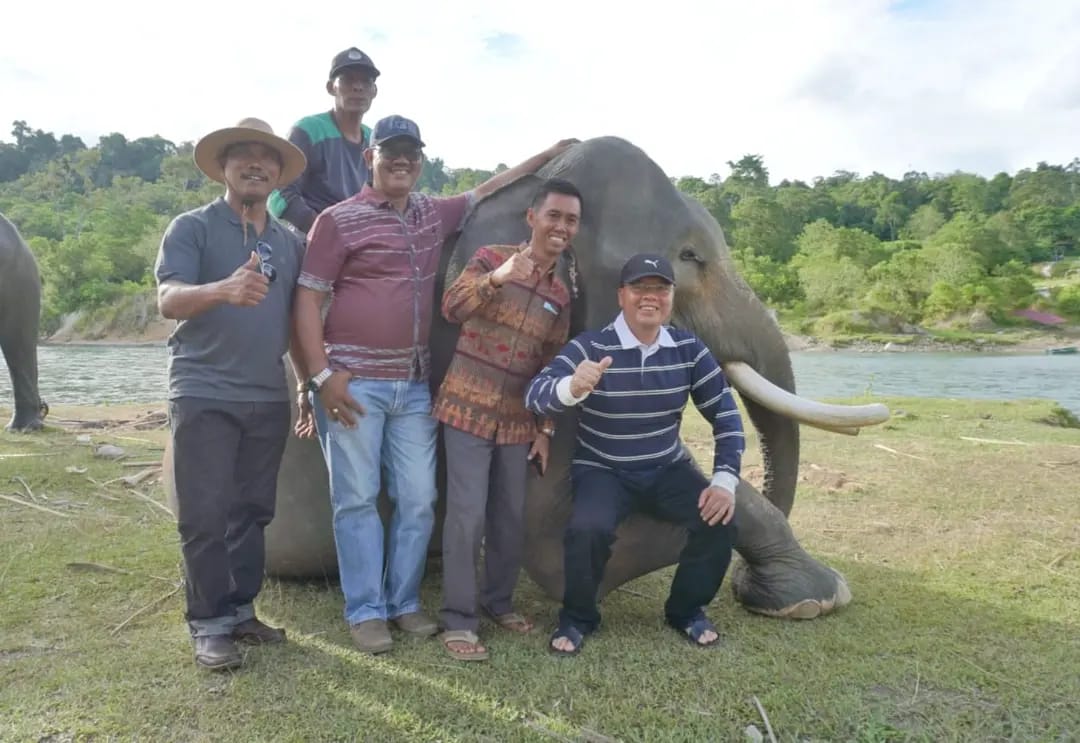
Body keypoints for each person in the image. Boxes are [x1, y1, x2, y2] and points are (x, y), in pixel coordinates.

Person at [291, 113, 578, 654]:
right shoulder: (337, 220)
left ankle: (403, 603)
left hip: (413, 384)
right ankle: (366, 610)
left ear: (421, 162)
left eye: (412, 154)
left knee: (420, 500)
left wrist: (547, 154)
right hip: (354, 383)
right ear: (368, 158)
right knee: (355, 499)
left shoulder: (430, 214)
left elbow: (486, 188)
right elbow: (307, 298)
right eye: (390, 152)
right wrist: (320, 377)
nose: (402, 161)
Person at [524, 253, 744, 656]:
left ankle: (686, 611)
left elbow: (727, 418)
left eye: (660, 288)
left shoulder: (688, 348)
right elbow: (535, 394)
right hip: (602, 468)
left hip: (666, 466)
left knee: (720, 520)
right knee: (587, 530)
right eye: (641, 288)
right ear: (621, 295)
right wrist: (572, 386)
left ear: (671, 297)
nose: (651, 297)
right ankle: (578, 618)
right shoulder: (591, 346)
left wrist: (724, 481)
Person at [154, 117, 309, 671]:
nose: (255, 164)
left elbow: (296, 323)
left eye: (266, 158)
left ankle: (242, 611)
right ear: (222, 167)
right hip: (202, 390)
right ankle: (208, 623)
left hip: (267, 395)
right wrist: (223, 289)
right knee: (204, 513)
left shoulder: (290, 243)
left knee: (251, 510)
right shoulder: (191, 228)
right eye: (242, 155)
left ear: (277, 174)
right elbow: (168, 300)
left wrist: (309, 385)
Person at [432, 178, 583, 661]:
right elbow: (451, 308)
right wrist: (497, 278)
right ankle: (459, 620)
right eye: (554, 216)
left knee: (508, 516)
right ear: (532, 218)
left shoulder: (560, 293)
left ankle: (498, 602)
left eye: (571, 220)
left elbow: (551, 363)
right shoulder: (489, 257)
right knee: (466, 516)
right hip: (465, 409)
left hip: (518, 421)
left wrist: (545, 429)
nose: (561, 226)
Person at [268, 47, 380, 233]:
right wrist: (324, 231)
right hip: (312, 241)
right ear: (331, 88)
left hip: (362, 243)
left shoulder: (374, 140)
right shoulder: (308, 131)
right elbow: (279, 194)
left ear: (374, 91)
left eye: (365, 82)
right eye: (348, 80)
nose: (358, 87)